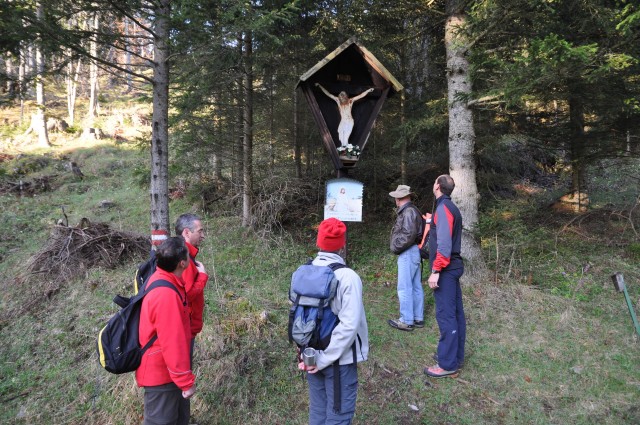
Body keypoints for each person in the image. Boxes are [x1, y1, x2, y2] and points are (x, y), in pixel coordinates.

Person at [298, 218, 370, 424]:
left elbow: (298, 316)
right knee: (339, 415)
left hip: (310, 355)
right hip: (339, 361)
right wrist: (325, 358)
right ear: (342, 244)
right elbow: (349, 326)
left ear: (318, 242)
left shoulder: (303, 272)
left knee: (318, 412)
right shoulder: (348, 277)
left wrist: (307, 355)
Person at [136, 237, 196, 425]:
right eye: (187, 252)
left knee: (179, 419)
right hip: (161, 375)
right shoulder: (166, 295)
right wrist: (185, 381)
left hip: (168, 373)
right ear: (182, 263)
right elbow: (172, 342)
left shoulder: (163, 278)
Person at [424, 175, 465, 378]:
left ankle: (447, 364)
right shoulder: (450, 208)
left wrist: (436, 271)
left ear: (437, 186)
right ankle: (454, 357)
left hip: (446, 270)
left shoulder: (443, 209)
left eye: (434, 183)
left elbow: (445, 245)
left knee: (446, 315)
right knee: (456, 314)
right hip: (453, 267)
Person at [387, 185, 424, 332]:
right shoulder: (413, 210)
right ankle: (418, 318)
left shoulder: (408, 212)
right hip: (413, 251)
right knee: (415, 286)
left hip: (407, 252)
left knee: (404, 287)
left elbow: (408, 235)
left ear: (399, 198)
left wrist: (395, 246)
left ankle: (406, 321)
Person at [175, 213, 208, 360]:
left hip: (183, 328)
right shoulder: (184, 258)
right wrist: (202, 277)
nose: (203, 236)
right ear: (187, 232)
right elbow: (185, 296)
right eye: (200, 231)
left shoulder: (178, 252)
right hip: (183, 330)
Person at [315, 83, 374, 147]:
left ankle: (345, 150)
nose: (343, 102)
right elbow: (328, 94)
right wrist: (320, 86)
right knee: (340, 136)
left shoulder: (350, 101)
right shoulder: (337, 100)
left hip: (349, 121)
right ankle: (343, 149)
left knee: (345, 138)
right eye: (342, 100)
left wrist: (368, 91)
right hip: (343, 121)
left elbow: (360, 96)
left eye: (344, 100)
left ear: (346, 98)